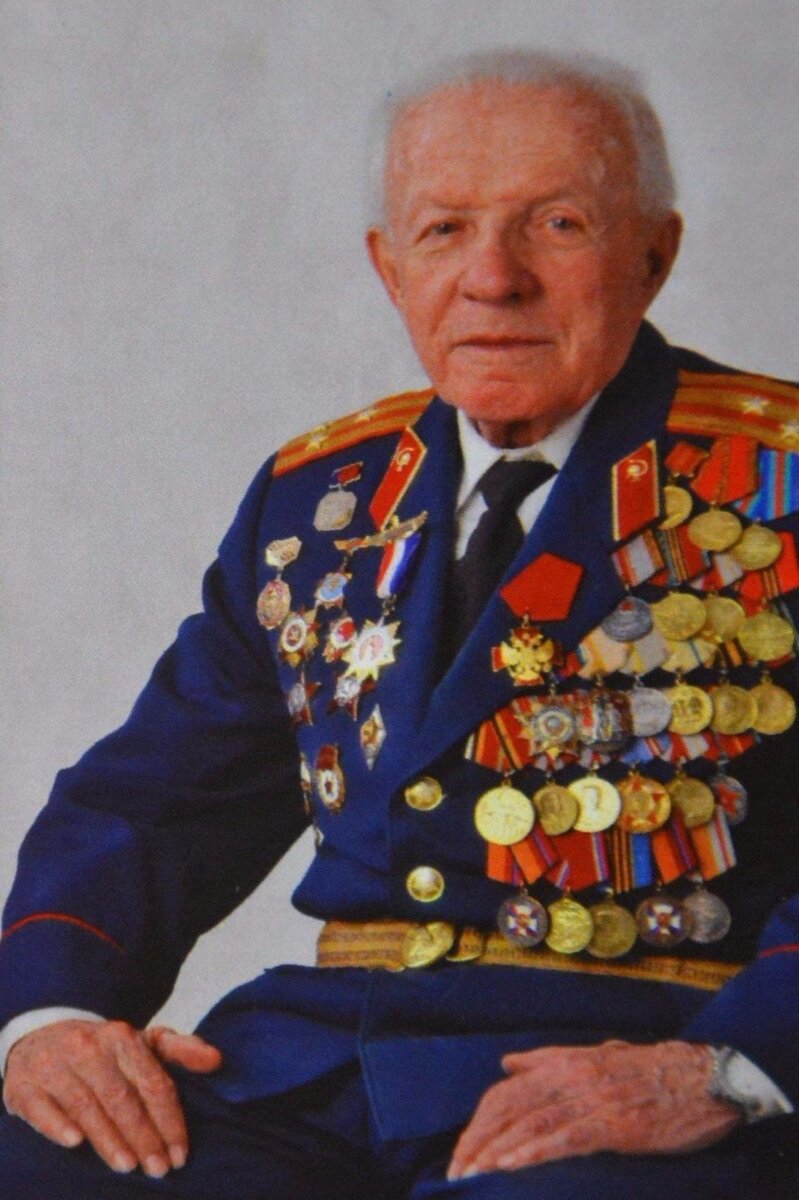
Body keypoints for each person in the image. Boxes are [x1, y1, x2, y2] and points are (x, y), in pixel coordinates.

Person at [1, 49, 799, 1199]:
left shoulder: (774, 481)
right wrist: (52, 1019)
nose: (492, 279)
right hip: (317, 1070)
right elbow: (157, 801)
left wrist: (733, 1069)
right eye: (443, 231)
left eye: (557, 224)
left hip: (637, 1067)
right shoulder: (318, 501)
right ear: (389, 267)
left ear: (653, 255)